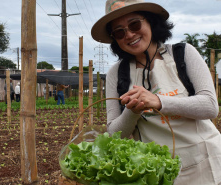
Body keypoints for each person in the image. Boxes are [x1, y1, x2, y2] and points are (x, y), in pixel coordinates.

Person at [91, 0, 221, 184]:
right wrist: (132, 111)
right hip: (155, 170)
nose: (129, 34)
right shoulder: (117, 74)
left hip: (205, 164)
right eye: (119, 32)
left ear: (150, 21)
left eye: (134, 24)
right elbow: (114, 132)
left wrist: (159, 101)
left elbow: (210, 106)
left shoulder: (183, 54)